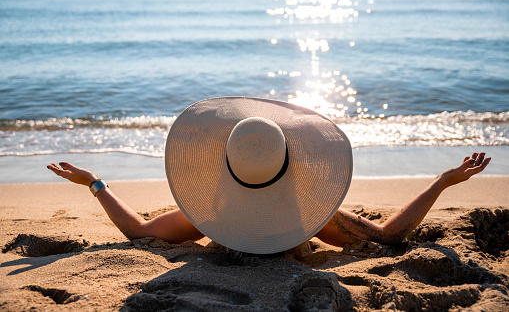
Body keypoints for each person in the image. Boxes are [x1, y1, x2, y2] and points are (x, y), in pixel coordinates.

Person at [47, 97, 491, 254]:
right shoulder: (316, 216)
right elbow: (389, 237)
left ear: (227, 164)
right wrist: (441, 183)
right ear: (291, 161)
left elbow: (138, 231)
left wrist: (96, 184)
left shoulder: (211, 215)